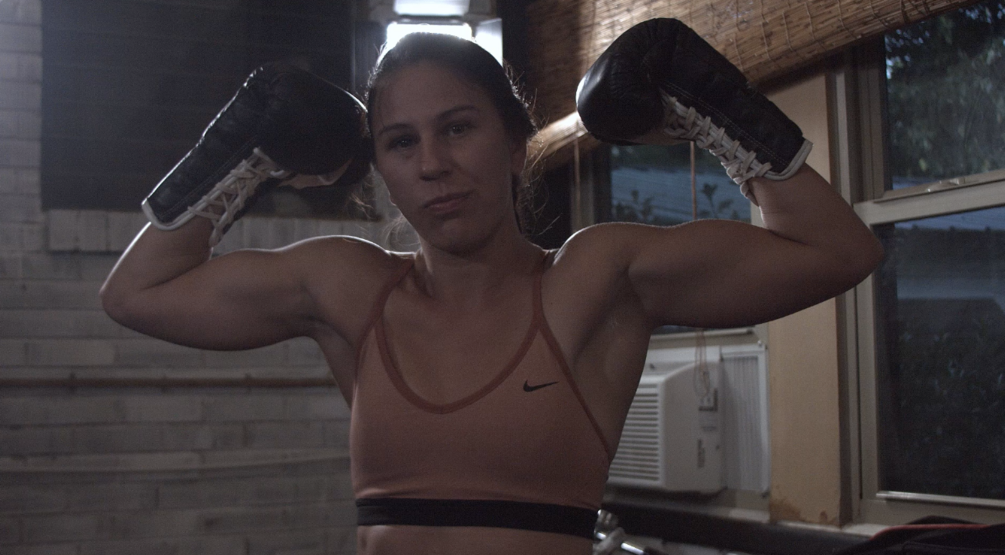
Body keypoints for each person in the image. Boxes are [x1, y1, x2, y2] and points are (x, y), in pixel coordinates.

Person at [100, 19, 884, 555]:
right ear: (379, 169)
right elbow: (137, 292)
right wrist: (245, 153)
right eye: (399, 142)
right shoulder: (349, 286)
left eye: (457, 127)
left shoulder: (591, 279)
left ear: (513, 142)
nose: (431, 164)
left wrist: (714, 107)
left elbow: (835, 250)